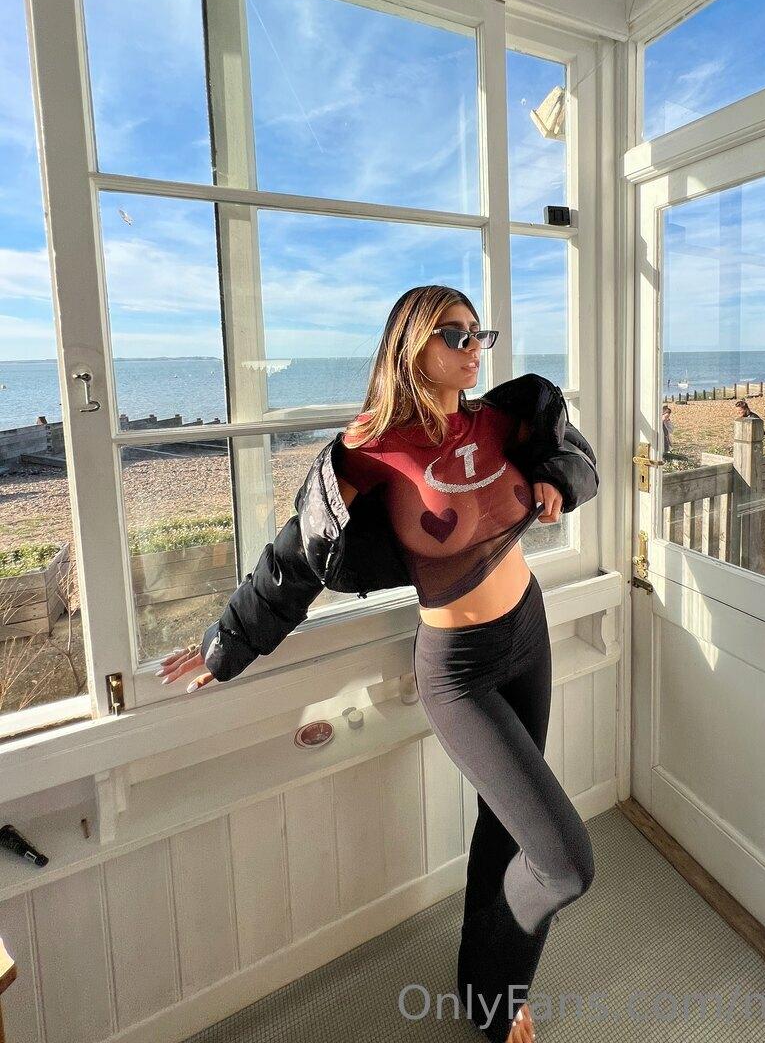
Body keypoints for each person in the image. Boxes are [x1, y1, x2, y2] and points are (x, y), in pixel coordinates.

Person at [155, 285, 598, 1043]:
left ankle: (491, 991)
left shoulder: (504, 419)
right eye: (454, 334)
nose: (474, 348)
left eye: (478, 334)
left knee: (507, 827)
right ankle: (496, 983)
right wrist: (225, 645)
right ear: (409, 345)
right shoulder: (370, 447)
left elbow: (573, 457)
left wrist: (556, 482)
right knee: (564, 862)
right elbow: (295, 557)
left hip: (528, 631)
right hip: (458, 670)